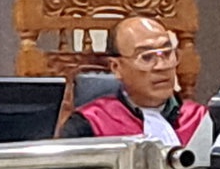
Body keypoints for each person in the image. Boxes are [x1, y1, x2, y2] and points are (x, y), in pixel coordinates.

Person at [60, 17, 207, 146]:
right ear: (116, 67)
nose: (162, 66)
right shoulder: (89, 124)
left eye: (167, 54)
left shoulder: (202, 120)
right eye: (147, 57)